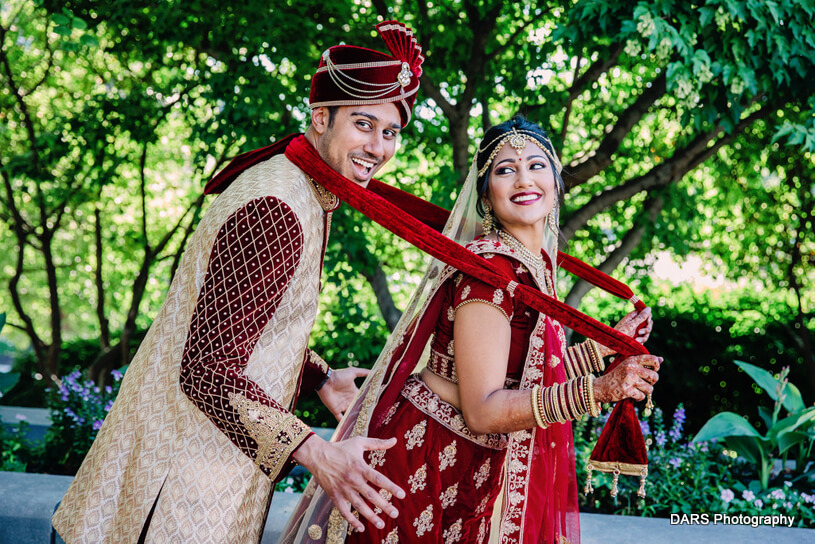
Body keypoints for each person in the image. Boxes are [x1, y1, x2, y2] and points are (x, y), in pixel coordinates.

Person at [52, 20, 425, 543]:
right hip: (169, 498)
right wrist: (319, 454)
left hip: (193, 477)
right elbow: (207, 369)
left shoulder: (301, 185)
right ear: (321, 117)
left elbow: (244, 323)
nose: (379, 147)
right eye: (364, 124)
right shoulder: (277, 205)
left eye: (390, 132)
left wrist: (317, 377)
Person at [281, 117, 661, 544]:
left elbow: (521, 375)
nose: (523, 179)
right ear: (485, 195)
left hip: (468, 465)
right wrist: (599, 389)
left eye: (536, 165)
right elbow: (483, 409)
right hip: (424, 465)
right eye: (504, 170)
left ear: (556, 181)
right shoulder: (490, 274)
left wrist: (596, 353)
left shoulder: (535, 263)